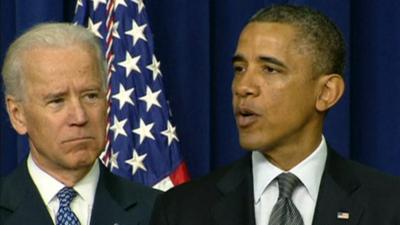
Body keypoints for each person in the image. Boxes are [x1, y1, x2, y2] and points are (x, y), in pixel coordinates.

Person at [149, 5, 400, 225]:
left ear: (326, 92)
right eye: (239, 68)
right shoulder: (181, 210)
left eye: (269, 69)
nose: (243, 86)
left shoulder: (389, 206)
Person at [0, 23, 159, 225]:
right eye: (57, 101)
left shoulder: (159, 212)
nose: (79, 117)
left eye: (91, 96)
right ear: (18, 115)